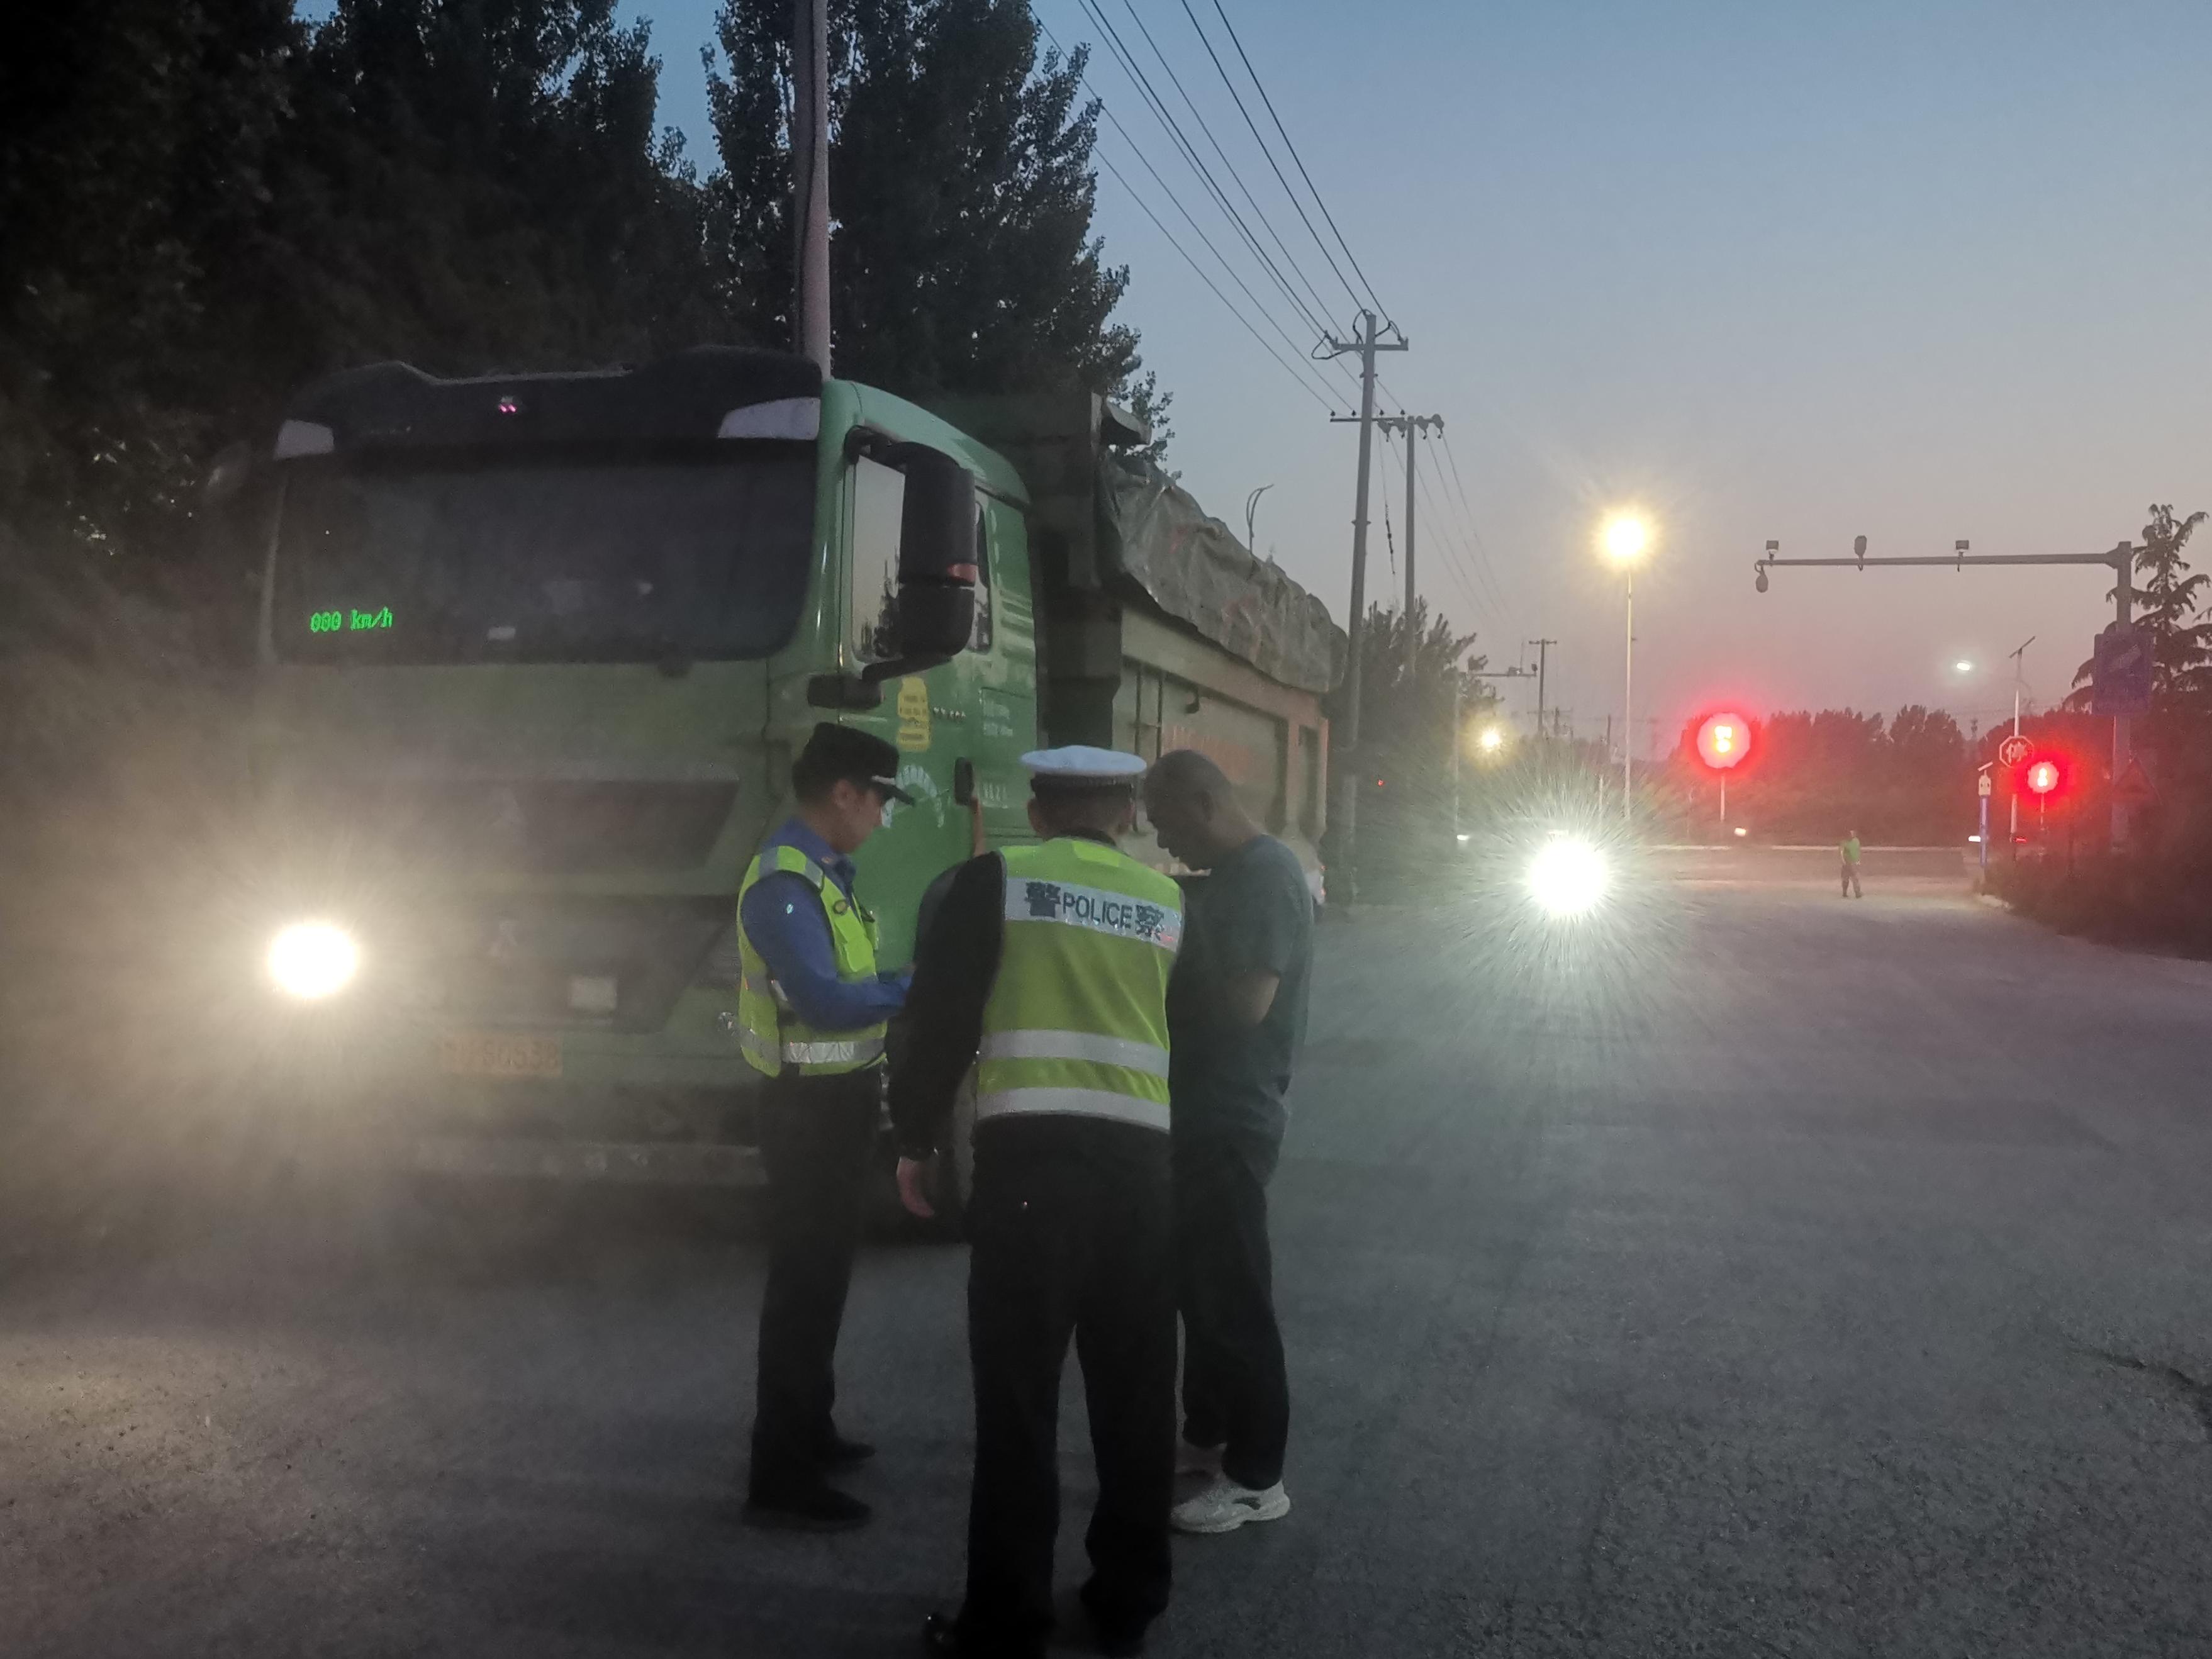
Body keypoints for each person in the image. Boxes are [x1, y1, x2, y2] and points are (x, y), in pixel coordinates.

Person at [891, 747, 1184, 1659]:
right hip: (1141, 1176)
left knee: (1018, 1401)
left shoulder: (996, 882)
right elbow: (1199, 1038)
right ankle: (1128, 1602)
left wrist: (917, 1140)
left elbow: (937, 1018)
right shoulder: (1169, 900)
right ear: (1128, 812)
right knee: (1137, 1397)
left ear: (1037, 808)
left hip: (1030, 1174)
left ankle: (1007, 1621)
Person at [737, 722, 915, 1531]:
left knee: (825, 1279)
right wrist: (916, 987)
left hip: (836, 1104)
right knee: (803, 1289)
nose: (882, 816)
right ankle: (780, 1473)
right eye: (879, 800)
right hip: (807, 1111)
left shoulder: (823, 875)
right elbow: (825, 1001)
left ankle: (812, 1427)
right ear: (845, 794)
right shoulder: (785, 882)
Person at [1141, 750, 1314, 1536]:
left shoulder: (1264, 877)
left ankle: (1255, 1477)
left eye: (1167, 823)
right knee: (1200, 1288)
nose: (1165, 842)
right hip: (1204, 1112)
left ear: (1205, 803)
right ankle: (1208, 1434)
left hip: (1229, 1116)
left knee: (1232, 1298)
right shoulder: (1238, 875)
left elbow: (1248, 1003)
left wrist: (1157, 990)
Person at [1840, 829, 1863, 899]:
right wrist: (1843, 860)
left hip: (1854, 862)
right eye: (1850, 834)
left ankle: (1857, 893)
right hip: (1847, 862)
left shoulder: (1857, 841)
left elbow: (1858, 850)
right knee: (1846, 878)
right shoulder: (1844, 842)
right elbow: (1841, 852)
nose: (1851, 835)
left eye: (1853, 834)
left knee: (1855, 878)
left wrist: (1858, 860)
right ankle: (1845, 892)